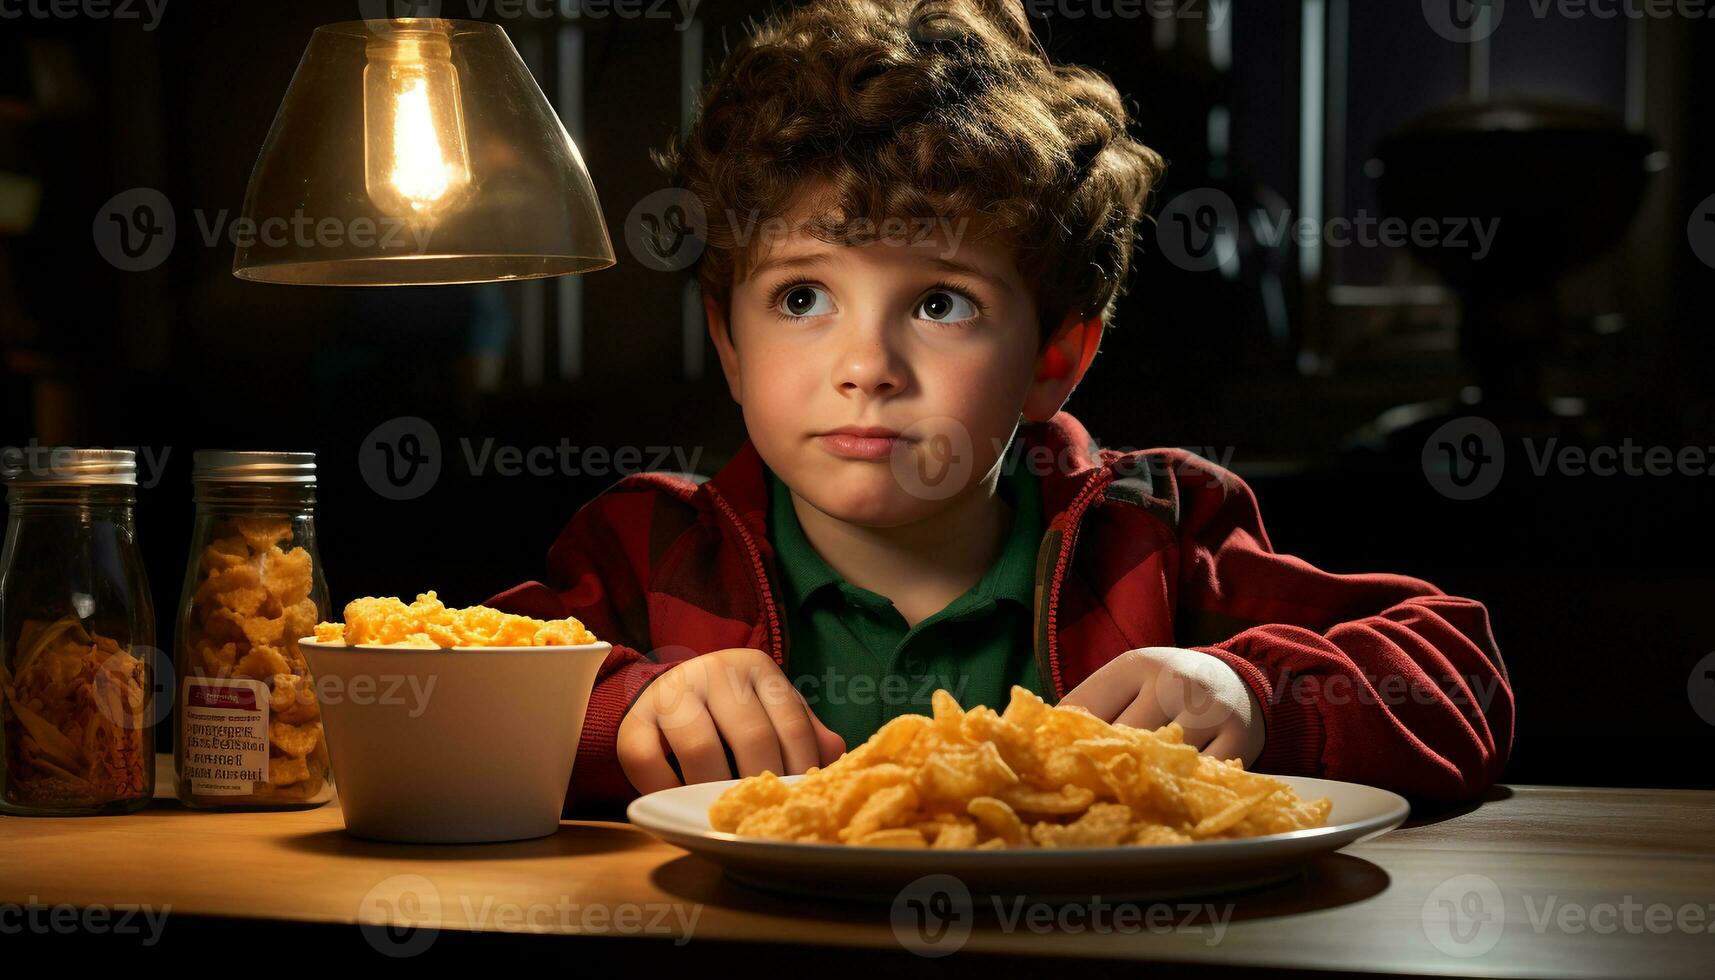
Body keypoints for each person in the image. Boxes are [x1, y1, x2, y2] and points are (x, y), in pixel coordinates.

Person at [487, 0, 1513, 816]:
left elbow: (1458, 674)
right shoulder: (645, 548)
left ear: (1054, 357)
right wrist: (626, 708)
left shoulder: (1155, 534)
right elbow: (444, 706)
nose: (866, 366)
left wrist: (1247, 694)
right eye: (801, 298)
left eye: (940, 304)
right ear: (728, 341)